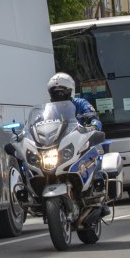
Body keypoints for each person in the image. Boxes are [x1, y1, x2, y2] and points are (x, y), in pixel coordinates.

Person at [46, 72, 110, 216]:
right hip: (57, 146)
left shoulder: (80, 103)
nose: (58, 95)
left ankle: (99, 194)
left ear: (69, 91)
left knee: (94, 152)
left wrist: (93, 125)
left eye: (61, 91)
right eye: (55, 92)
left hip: (78, 142)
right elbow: (39, 122)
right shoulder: (49, 110)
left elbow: (94, 117)